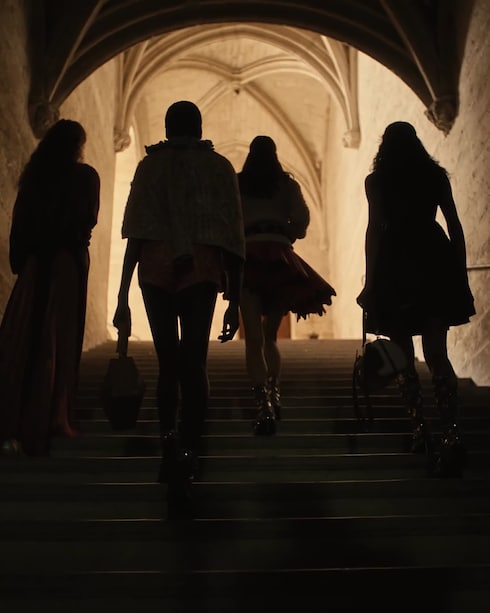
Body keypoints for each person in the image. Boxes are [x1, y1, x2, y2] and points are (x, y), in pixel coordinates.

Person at [113, 101, 245, 517]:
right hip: (201, 269)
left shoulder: (149, 167)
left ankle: (169, 442)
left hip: (154, 269)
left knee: (168, 364)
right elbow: (233, 235)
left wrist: (121, 295)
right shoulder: (219, 167)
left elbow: (135, 233)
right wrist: (235, 299)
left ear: (168, 129)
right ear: (200, 128)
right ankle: (189, 450)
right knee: (194, 363)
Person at [357, 121, 475, 477]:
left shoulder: (377, 181)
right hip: (433, 260)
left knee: (403, 356)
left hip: (395, 266)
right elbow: (454, 225)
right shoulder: (435, 176)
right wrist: (459, 270)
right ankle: (451, 432)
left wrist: (370, 281)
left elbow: (374, 230)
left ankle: (420, 429)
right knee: (437, 353)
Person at [0, 119, 100, 456]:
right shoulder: (85, 176)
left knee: (27, 336)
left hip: (35, 264)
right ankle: (51, 416)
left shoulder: (35, 178)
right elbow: (87, 219)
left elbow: (20, 224)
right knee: (58, 338)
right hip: (65, 264)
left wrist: (25, 258)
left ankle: (17, 418)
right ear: (77, 146)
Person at [237, 136, 336, 435]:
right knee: (270, 338)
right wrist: (285, 232)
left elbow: (227, 220)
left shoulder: (237, 184)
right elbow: (302, 223)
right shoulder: (287, 185)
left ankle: (262, 405)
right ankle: (274, 392)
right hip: (279, 258)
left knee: (253, 339)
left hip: (248, 259)